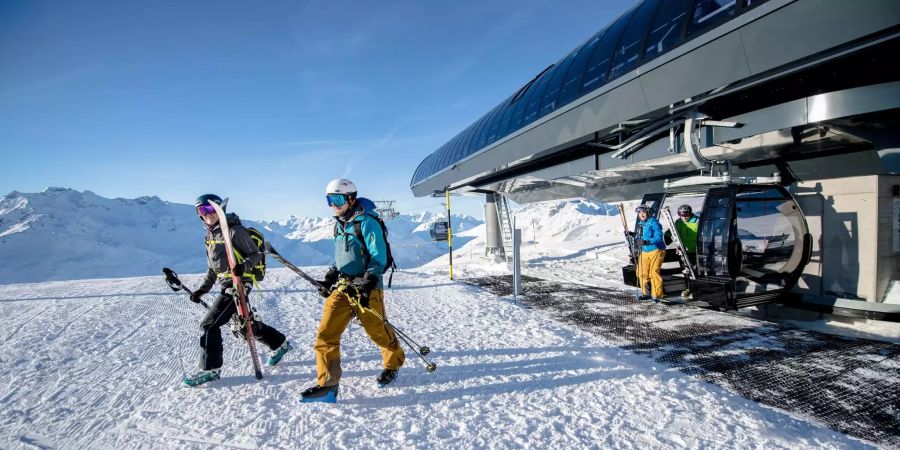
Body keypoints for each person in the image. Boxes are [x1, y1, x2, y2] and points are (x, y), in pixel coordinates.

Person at [300, 179, 405, 403]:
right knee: (326, 334)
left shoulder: (366, 222)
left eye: (337, 199)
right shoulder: (339, 224)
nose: (333, 205)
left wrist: (368, 281)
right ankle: (328, 386)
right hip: (344, 287)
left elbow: (379, 257)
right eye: (330, 200)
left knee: (377, 331)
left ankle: (393, 363)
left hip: (367, 287)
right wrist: (331, 276)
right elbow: (342, 257)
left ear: (350, 199)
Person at [183, 194, 293, 387]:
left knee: (209, 325)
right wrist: (202, 290)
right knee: (245, 325)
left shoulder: (234, 230)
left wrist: (243, 266)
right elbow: (212, 269)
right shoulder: (209, 236)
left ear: (220, 210)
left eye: (210, 210)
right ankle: (280, 344)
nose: (207, 214)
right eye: (202, 211)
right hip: (226, 283)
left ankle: (210, 370)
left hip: (240, 282)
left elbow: (255, 255)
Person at [634, 204, 666, 303]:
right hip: (645, 251)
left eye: (643, 213)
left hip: (656, 249)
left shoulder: (654, 223)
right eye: (639, 213)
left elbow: (659, 238)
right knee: (641, 272)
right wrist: (631, 235)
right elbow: (639, 238)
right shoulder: (641, 224)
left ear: (648, 213)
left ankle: (656, 295)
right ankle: (646, 293)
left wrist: (647, 242)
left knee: (653, 273)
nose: (641, 215)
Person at [668, 204, 700, 298]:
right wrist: (667, 237)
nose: (684, 217)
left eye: (686, 215)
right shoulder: (678, 222)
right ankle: (689, 288)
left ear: (690, 213)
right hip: (684, 251)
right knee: (686, 271)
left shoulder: (697, 221)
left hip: (696, 250)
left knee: (696, 270)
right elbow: (673, 232)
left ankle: (697, 288)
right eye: (681, 215)